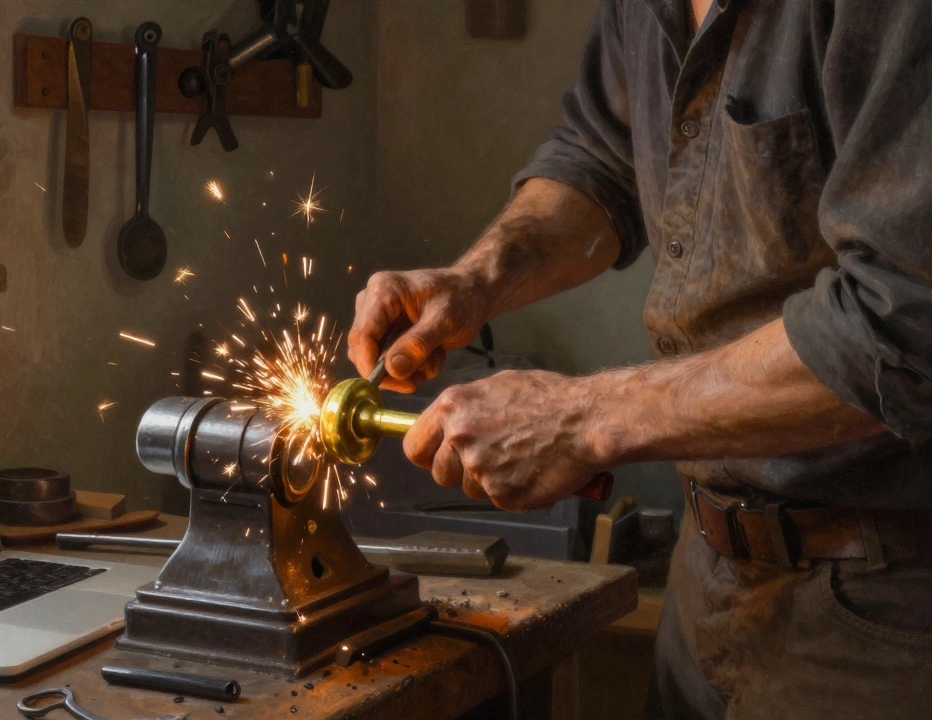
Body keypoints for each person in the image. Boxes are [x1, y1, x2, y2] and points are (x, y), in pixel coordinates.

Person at [347, 2, 931, 718]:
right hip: (708, 571)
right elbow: (599, 160)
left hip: (887, 607)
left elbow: (901, 324)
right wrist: (476, 280)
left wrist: (579, 420)